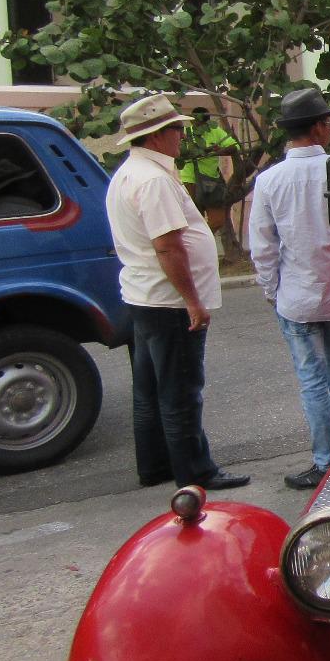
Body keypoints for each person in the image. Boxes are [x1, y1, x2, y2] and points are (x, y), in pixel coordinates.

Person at [104, 93, 249, 491]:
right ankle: (196, 471)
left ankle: (155, 465)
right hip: (167, 300)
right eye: (176, 130)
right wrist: (192, 302)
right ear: (156, 136)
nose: (181, 137)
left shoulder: (131, 173)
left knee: (150, 388)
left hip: (144, 295)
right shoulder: (153, 180)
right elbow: (168, 246)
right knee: (181, 389)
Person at [249, 87, 330, 491]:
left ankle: (325, 460)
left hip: (297, 299)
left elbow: (262, 245)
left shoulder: (270, 180)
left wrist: (273, 290)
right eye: (328, 123)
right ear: (316, 128)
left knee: (312, 379)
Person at [177, 107, 239, 214]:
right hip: (189, 181)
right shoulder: (185, 134)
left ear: (208, 121)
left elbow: (235, 147)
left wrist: (219, 151)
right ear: (192, 121)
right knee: (193, 218)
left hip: (211, 181)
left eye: (203, 123)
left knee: (218, 220)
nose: (200, 126)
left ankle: (211, 232)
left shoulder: (215, 131)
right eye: (198, 123)